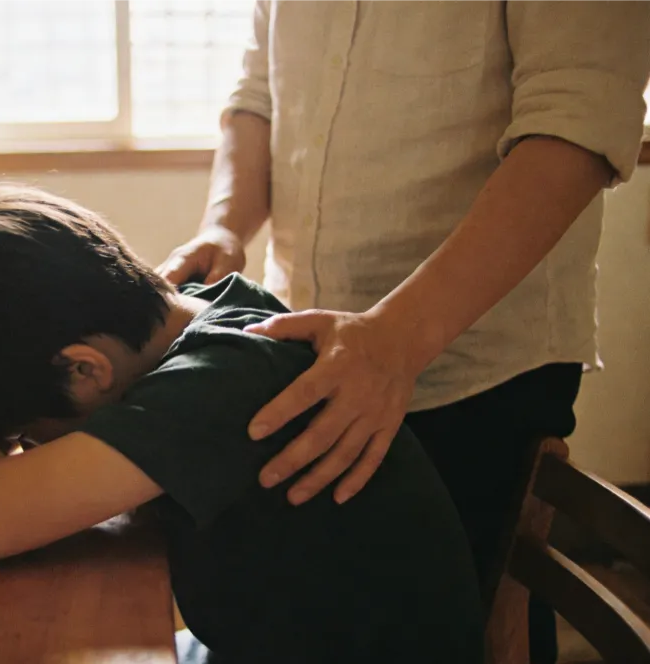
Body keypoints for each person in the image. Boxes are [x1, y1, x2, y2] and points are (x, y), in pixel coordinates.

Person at [157, 3, 650, 660]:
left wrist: (397, 337)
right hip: (307, 344)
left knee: (450, 631)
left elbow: (577, 125)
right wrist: (224, 224)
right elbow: (257, 100)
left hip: (475, 365)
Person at [0, 186, 483, 663]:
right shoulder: (210, 317)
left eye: (22, 434)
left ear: (84, 371)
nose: (21, 449)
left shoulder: (218, 385)